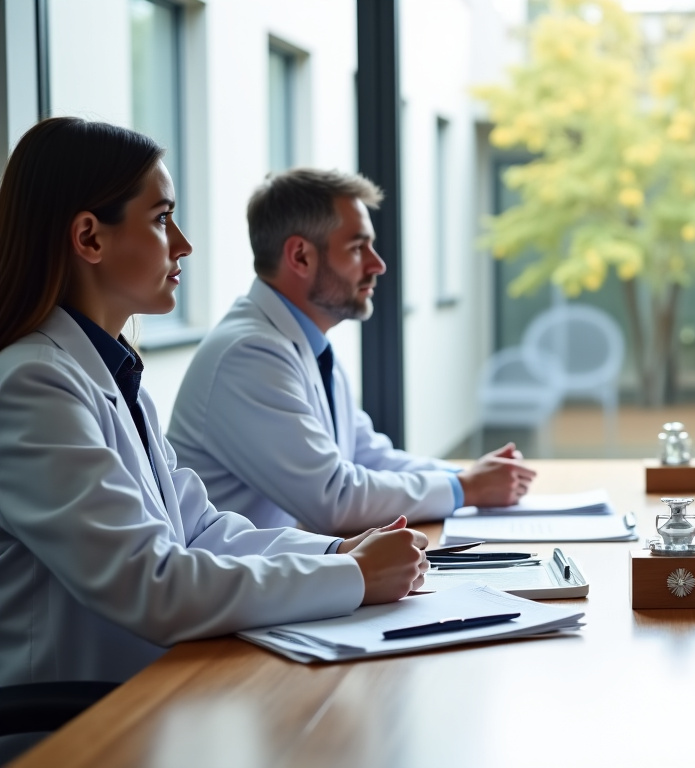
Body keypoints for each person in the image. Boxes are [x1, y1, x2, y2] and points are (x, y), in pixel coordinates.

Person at [0, 119, 428, 715]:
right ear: (90, 239)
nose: (182, 244)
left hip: (158, 688)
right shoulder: (31, 384)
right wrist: (354, 577)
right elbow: (152, 584)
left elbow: (200, 531)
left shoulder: (110, 373)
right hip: (75, 721)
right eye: (160, 219)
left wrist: (334, 555)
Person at [167, 168, 535, 534]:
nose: (378, 264)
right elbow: (334, 500)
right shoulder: (247, 355)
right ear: (300, 256)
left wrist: (468, 477)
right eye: (358, 247)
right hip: (235, 586)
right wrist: (467, 489)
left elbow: (368, 458)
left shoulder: (305, 344)